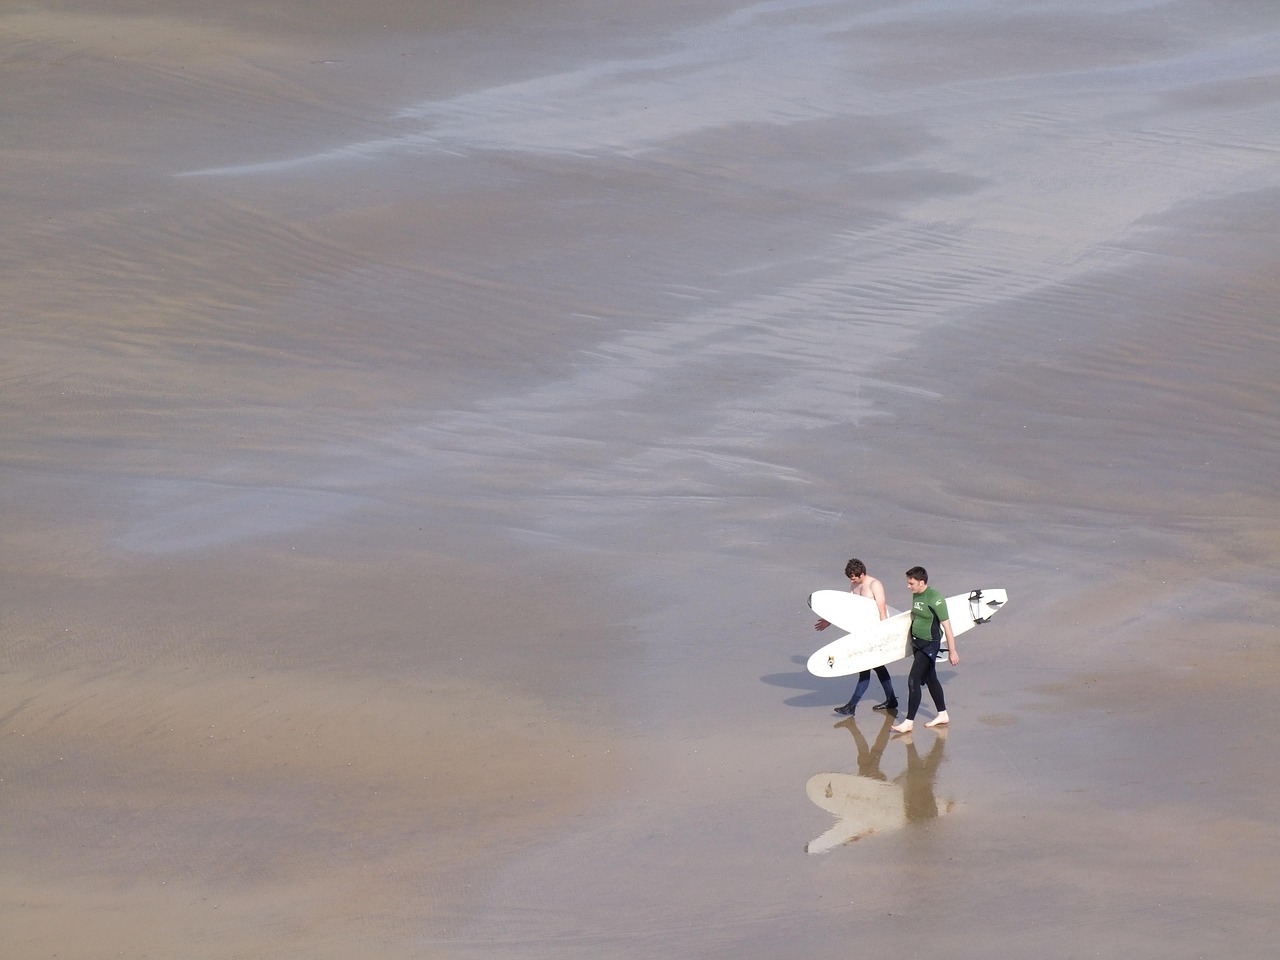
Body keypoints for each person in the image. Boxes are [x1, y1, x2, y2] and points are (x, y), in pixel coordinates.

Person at [815, 558, 897, 715]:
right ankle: (891, 700)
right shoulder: (854, 585)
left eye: (854, 577)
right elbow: (848, 606)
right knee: (878, 667)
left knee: (864, 667)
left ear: (862, 573)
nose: (852, 581)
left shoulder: (874, 585)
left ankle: (851, 706)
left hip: (874, 633)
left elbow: (882, 610)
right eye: (850, 578)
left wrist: (884, 634)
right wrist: (829, 620)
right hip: (861, 632)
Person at [891, 566, 957, 734]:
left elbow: (947, 627)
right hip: (917, 643)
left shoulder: (935, 598)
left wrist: (952, 651)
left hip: (930, 645)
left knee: (913, 680)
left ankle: (908, 722)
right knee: (930, 678)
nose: (908, 586)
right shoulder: (916, 594)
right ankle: (943, 714)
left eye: (911, 583)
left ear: (921, 582)